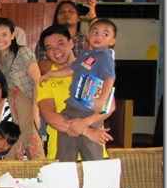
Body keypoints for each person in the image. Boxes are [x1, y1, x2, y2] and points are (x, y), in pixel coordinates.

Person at [39, 19, 116, 161]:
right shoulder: (46, 81)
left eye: (60, 44)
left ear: (71, 43)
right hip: (62, 151)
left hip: (92, 132)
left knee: (94, 170)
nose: (56, 50)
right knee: (65, 168)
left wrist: (86, 122)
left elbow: (109, 107)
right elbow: (52, 118)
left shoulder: (101, 62)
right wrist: (86, 131)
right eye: (50, 48)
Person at [0, 67, 45, 160]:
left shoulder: (16, 97)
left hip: (28, 159)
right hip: (2, 163)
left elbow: (26, 133)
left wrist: (6, 161)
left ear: (2, 87)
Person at [35, 0, 97, 74]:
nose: (66, 14)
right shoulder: (47, 40)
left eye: (71, 11)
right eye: (62, 12)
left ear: (79, 18)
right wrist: (79, 64)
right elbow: (43, 67)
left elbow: (97, 62)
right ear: (56, 18)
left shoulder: (86, 40)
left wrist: (93, 19)